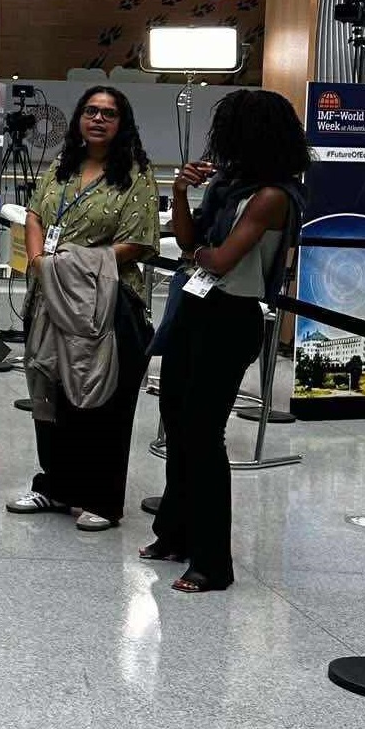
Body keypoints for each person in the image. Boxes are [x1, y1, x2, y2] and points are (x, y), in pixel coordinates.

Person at [141, 89, 309, 593]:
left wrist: (198, 254)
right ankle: (174, 533)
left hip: (231, 317)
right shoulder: (228, 187)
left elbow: (219, 259)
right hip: (196, 309)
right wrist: (179, 193)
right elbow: (189, 240)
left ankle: (213, 562)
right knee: (176, 418)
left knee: (202, 433)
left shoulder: (273, 196)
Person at [7, 86, 159, 531]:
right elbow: (35, 215)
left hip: (105, 302)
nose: (98, 119)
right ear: (79, 118)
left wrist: (73, 265)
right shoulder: (62, 165)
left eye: (109, 113)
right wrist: (40, 262)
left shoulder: (135, 176)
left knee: (103, 398)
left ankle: (102, 499)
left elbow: (138, 242)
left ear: (121, 124)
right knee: (50, 391)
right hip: (51, 298)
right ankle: (56, 487)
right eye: (91, 110)